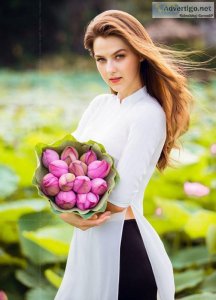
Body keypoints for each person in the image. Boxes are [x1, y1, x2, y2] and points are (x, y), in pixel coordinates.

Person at [54, 9, 193, 300]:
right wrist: (63, 210)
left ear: (139, 54)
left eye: (120, 56)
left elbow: (118, 200)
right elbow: (61, 168)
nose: (109, 70)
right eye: (100, 60)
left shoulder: (148, 114)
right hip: (89, 244)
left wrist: (68, 210)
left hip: (125, 250)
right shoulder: (100, 105)